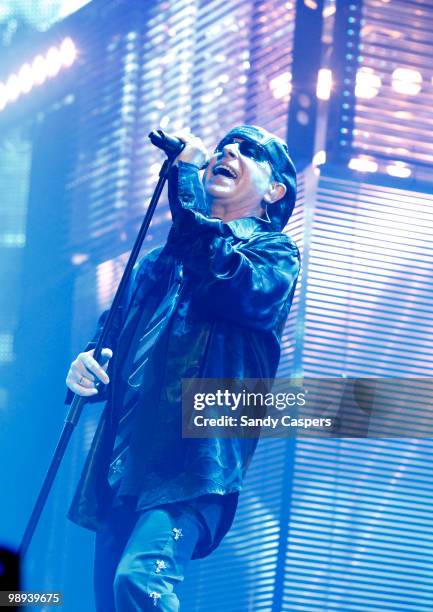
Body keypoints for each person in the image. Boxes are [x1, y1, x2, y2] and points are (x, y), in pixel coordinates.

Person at [65, 125, 300, 611]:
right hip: (126, 464)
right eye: (224, 146)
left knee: (138, 583)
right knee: (110, 602)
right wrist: (86, 366)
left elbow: (217, 272)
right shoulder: (156, 264)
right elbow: (108, 340)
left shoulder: (273, 256)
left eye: (249, 152)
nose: (228, 151)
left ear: (274, 192)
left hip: (192, 467)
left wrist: (187, 176)